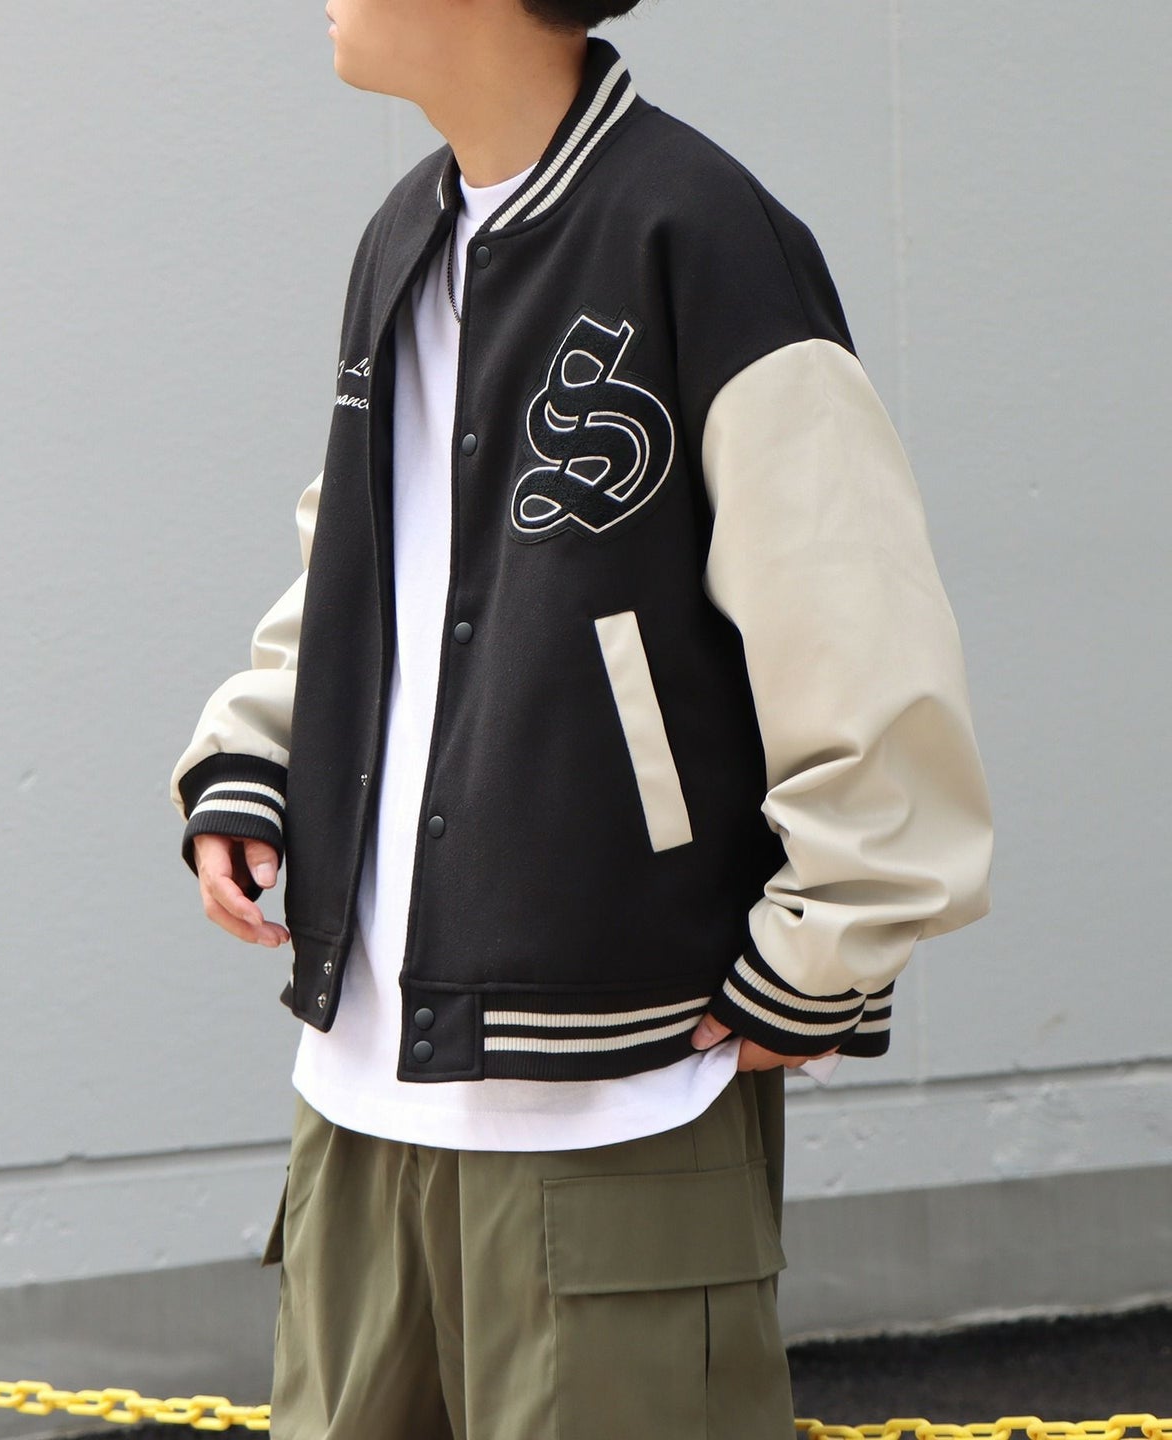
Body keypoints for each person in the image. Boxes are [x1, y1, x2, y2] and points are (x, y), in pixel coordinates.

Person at [170, 0, 993, 1435]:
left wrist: (834, 933)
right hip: (360, 1089)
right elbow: (363, 556)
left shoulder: (704, 236)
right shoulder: (406, 234)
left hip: (617, 1093)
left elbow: (850, 609)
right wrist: (256, 751)